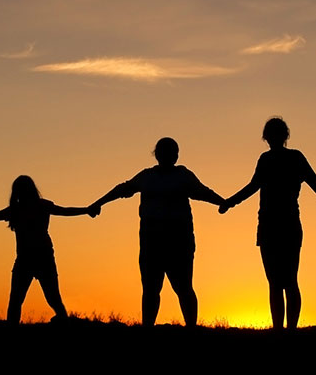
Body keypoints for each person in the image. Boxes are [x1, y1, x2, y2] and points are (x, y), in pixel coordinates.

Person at [219, 117, 316, 330]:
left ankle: (285, 330)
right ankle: (283, 330)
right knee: (283, 281)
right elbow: (255, 186)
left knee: (283, 281)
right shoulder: (277, 159)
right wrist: (229, 202)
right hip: (277, 225)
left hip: (281, 225)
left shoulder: (288, 158)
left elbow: (315, 183)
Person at [89, 137, 224, 327]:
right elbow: (123, 189)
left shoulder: (181, 176)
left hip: (178, 241)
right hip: (153, 242)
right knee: (153, 289)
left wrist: (222, 202)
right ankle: (150, 328)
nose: (169, 155)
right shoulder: (147, 177)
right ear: (157, 155)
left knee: (182, 287)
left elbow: (203, 192)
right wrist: (98, 203)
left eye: (172, 152)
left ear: (176, 155)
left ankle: (190, 329)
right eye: (166, 152)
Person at [0, 175, 97, 325]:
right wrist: (87, 210)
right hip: (37, 257)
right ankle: (62, 321)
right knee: (49, 298)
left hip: (33, 258)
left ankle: (50, 322)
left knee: (21, 299)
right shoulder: (36, 207)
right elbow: (65, 211)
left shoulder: (20, 209)